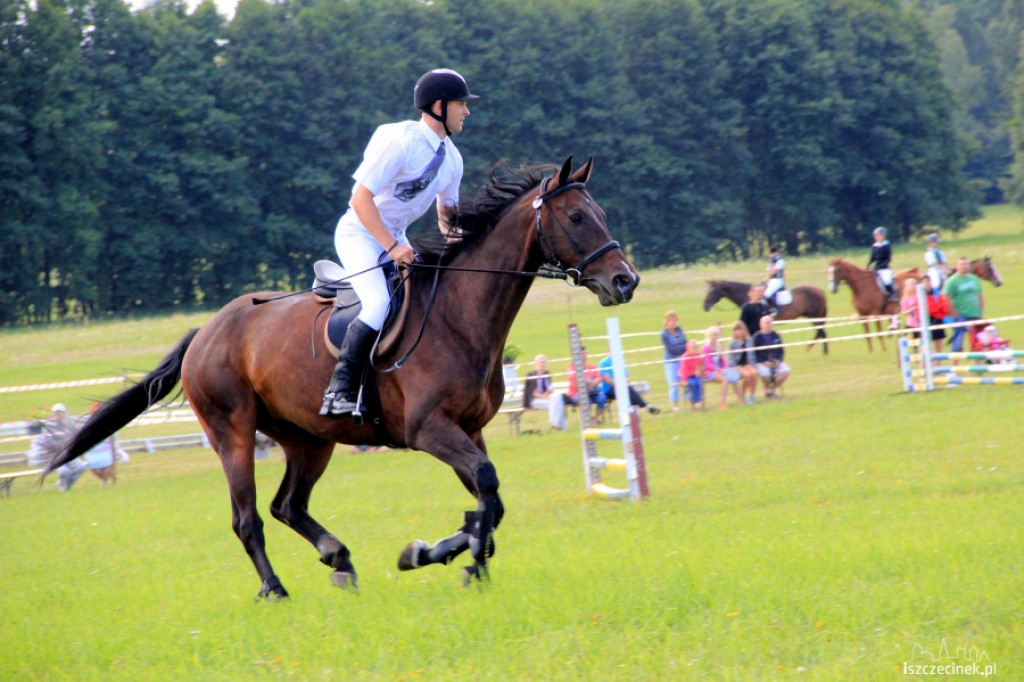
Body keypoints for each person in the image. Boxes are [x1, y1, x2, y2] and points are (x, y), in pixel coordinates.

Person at [320, 68, 480, 417]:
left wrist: (462, 253)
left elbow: (448, 218)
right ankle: (339, 391)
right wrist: (391, 248)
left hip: (398, 240)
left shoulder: (452, 159)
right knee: (377, 304)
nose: (466, 111)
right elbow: (359, 200)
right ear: (439, 106)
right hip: (361, 234)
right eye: (460, 104)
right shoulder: (401, 142)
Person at [943, 256, 985, 358]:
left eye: (966, 264)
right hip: (960, 315)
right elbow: (947, 299)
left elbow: (980, 295)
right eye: (961, 264)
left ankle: (978, 365)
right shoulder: (952, 281)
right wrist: (954, 314)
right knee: (958, 342)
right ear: (957, 266)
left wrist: (980, 310)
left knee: (978, 340)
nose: (964, 267)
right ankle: (955, 368)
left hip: (975, 314)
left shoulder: (974, 279)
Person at [597, 355, 661, 415]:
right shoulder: (604, 363)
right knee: (628, 390)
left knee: (631, 390)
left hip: (623, 386)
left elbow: (627, 376)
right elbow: (607, 380)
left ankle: (637, 412)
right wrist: (621, 384)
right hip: (609, 389)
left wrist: (625, 382)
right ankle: (645, 407)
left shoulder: (621, 360)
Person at [47, 404, 88, 492]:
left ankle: (66, 486)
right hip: (55, 456)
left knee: (81, 467)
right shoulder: (49, 426)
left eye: (61, 413)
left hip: (68, 454)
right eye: (56, 413)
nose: (59, 415)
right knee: (64, 472)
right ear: (52, 414)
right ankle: (63, 489)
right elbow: (48, 443)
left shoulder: (69, 425)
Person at [522, 354, 568, 430]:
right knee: (557, 404)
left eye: (544, 362)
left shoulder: (547, 374)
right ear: (535, 364)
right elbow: (534, 393)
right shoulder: (531, 374)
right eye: (541, 362)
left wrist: (549, 393)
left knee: (558, 400)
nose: (542, 364)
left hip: (545, 398)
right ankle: (557, 424)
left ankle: (557, 425)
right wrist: (547, 398)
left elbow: (549, 390)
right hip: (534, 400)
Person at [702, 325, 742, 410]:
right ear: (709, 336)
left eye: (717, 335)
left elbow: (723, 360)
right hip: (710, 372)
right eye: (713, 335)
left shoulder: (719, 347)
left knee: (734, 377)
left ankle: (740, 399)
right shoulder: (705, 348)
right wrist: (717, 369)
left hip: (720, 370)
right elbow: (707, 363)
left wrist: (726, 368)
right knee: (725, 380)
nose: (715, 337)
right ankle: (723, 403)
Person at [752, 315, 790, 399]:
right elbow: (754, 354)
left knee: (786, 371)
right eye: (766, 323)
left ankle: (771, 390)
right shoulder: (756, 337)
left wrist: (778, 361)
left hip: (775, 361)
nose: (769, 325)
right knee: (765, 374)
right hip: (762, 362)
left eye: (770, 323)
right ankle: (767, 389)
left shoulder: (775, 335)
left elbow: (781, 351)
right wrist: (764, 362)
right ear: (761, 324)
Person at [566, 346, 607, 423]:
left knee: (602, 398)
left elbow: (599, 377)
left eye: (585, 353)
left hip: (591, 392)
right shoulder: (572, 367)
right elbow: (576, 378)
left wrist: (593, 383)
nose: (584, 355)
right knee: (587, 401)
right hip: (576, 393)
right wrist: (589, 381)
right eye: (582, 353)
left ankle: (595, 418)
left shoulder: (591, 366)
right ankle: (587, 420)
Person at [660, 311, 688, 411]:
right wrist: (681, 349)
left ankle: (689, 401)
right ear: (667, 321)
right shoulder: (664, 334)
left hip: (682, 359)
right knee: (673, 383)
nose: (673, 323)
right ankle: (676, 405)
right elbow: (670, 349)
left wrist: (682, 349)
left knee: (685, 380)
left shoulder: (679, 330)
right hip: (671, 361)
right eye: (671, 321)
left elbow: (686, 343)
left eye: (675, 321)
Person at [727, 320, 759, 406]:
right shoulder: (732, 343)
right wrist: (733, 367)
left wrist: (753, 366)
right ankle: (742, 396)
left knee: (754, 373)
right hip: (737, 365)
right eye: (736, 330)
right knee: (747, 375)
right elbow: (731, 358)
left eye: (740, 329)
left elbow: (751, 355)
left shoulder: (749, 341)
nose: (738, 331)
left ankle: (752, 395)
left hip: (747, 364)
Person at [867, 226, 895, 301]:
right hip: (877, 268)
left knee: (887, 281)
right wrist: (868, 266)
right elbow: (872, 258)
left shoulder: (886, 246)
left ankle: (893, 294)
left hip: (885, 268)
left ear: (884, 236)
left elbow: (888, 259)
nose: (878, 237)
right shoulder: (874, 246)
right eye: (877, 236)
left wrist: (881, 266)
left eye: (880, 235)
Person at [923, 279, 949, 356]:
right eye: (925, 282)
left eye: (928, 281)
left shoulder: (936, 293)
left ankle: (938, 365)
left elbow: (942, 304)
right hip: (927, 320)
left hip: (937, 320)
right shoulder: (920, 294)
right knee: (925, 345)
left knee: (938, 346)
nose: (927, 284)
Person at [678, 340, 705, 411]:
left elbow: (701, 365)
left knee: (698, 383)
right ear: (688, 349)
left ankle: (698, 401)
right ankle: (694, 402)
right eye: (693, 348)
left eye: (696, 348)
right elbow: (684, 370)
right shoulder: (685, 357)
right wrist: (684, 380)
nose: (694, 350)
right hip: (686, 375)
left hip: (695, 374)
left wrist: (701, 373)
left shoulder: (698, 355)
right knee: (692, 384)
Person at [763, 245, 786, 313]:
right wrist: (764, 281)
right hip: (772, 281)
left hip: (778, 280)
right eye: (771, 253)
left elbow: (773, 272)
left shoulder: (780, 261)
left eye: (773, 253)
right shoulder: (771, 262)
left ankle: (776, 308)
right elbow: (768, 273)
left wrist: (772, 264)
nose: (771, 255)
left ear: (776, 253)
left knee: (766, 294)